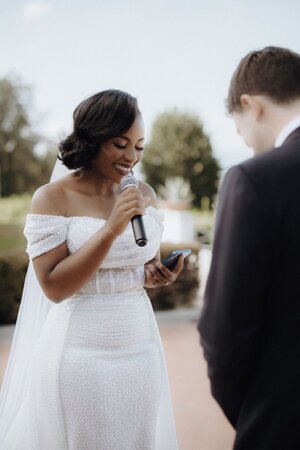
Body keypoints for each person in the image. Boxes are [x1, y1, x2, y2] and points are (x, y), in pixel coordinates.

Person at [0, 89, 184, 449]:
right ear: (93, 139)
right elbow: (53, 287)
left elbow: (140, 263)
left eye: (139, 146)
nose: (132, 157)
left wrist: (157, 274)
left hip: (140, 344)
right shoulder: (53, 197)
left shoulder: (142, 192)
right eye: (120, 144)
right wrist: (112, 227)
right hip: (80, 352)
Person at [197, 46, 300, 450]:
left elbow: (224, 336)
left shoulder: (256, 179)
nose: (247, 144)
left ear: (250, 106)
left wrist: (256, 413)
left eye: (240, 130)